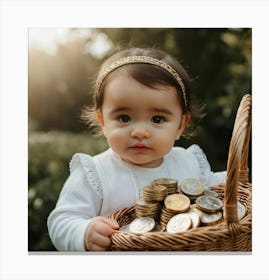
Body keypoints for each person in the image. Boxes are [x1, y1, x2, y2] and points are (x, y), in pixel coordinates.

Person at [47, 47, 226, 251]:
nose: (140, 132)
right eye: (124, 118)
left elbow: (215, 188)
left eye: (157, 119)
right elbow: (62, 219)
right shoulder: (95, 173)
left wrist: (238, 178)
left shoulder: (187, 161)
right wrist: (83, 232)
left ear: (180, 126)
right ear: (103, 121)